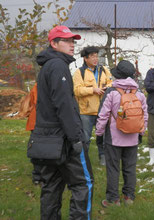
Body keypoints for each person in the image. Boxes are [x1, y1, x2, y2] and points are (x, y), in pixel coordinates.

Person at [35, 25, 94, 218]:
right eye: (67, 41)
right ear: (54, 43)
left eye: (73, 41)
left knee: (51, 185)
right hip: (64, 139)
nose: (72, 45)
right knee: (82, 184)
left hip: (47, 139)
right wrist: (76, 137)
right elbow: (64, 105)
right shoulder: (58, 66)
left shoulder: (47, 66)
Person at [96, 60, 148, 207]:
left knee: (113, 168)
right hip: (133, 137)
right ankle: (129, 197)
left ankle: (113, 199)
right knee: (130, 168)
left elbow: (103, 115)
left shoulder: (111, 92)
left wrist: (99, 133)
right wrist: (141, 132)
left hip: (114, 138)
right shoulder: (139, 93)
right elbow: (145, 115)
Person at [73, 46, 112, 166]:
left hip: (103, 110)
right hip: (86, 111)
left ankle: (103, 157)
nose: (96, 59)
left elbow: (112, 83)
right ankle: (83, 160)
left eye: (97, 56)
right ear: (85, 58)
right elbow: (76, 90)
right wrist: (93, 90)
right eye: (92, 56)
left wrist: (107, 88)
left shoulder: (104, 70)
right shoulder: (79, 72)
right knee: (85, 137)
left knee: (104, 137)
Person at [20, 83, 42, 185]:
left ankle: (38, 176)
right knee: (39, 150)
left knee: (38, 149)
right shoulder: (39, 86)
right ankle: (38, 175)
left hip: (37, 121)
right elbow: (38, 102)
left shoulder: (38, 85)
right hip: (39, 122)